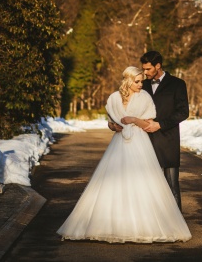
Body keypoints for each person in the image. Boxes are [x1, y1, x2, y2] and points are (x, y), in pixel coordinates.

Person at [57, 66, 191, 243]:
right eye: (137, 81)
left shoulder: (145, 98)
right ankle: (108, 223)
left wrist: (135, 120)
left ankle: (144, 224)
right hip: (119, 143)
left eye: (141, 81)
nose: (140, 84)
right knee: (112, 181)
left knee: (142, 182)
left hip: (139, 143)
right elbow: (111, 122)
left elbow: (149, 125)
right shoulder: (114, 98)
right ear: (128, 81)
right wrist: (113, 126)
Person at [110, 51, 189, 210]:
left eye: (148, 69)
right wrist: (112, 124)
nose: (144, 73)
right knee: (146, 186)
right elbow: (125, 108)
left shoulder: (177, 84)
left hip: (167, 141)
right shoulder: (141, 85)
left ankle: (175, 225)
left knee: (171, 185)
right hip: (143, 142)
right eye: (143, 69)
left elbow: (183, 112)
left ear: (158, 66)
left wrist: (159, 125)